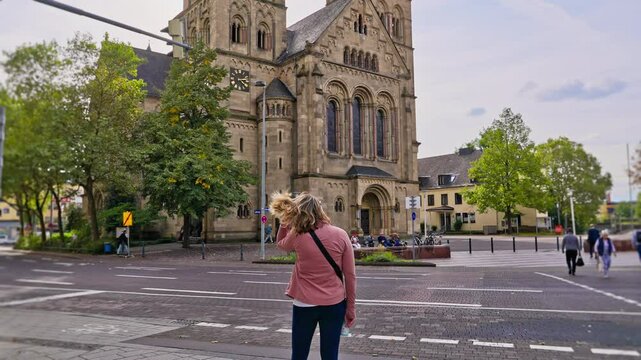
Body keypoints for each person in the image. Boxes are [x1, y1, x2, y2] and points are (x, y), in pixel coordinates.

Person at [271, 192, 356, 360]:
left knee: (299, 354)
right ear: (320, 210)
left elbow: (281, 245)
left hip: (304, 303)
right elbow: (350, 275)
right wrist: (350, 308)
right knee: (330, 355)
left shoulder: (296, 235)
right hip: (334, 304)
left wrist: (284, 222)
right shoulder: (341, 234)